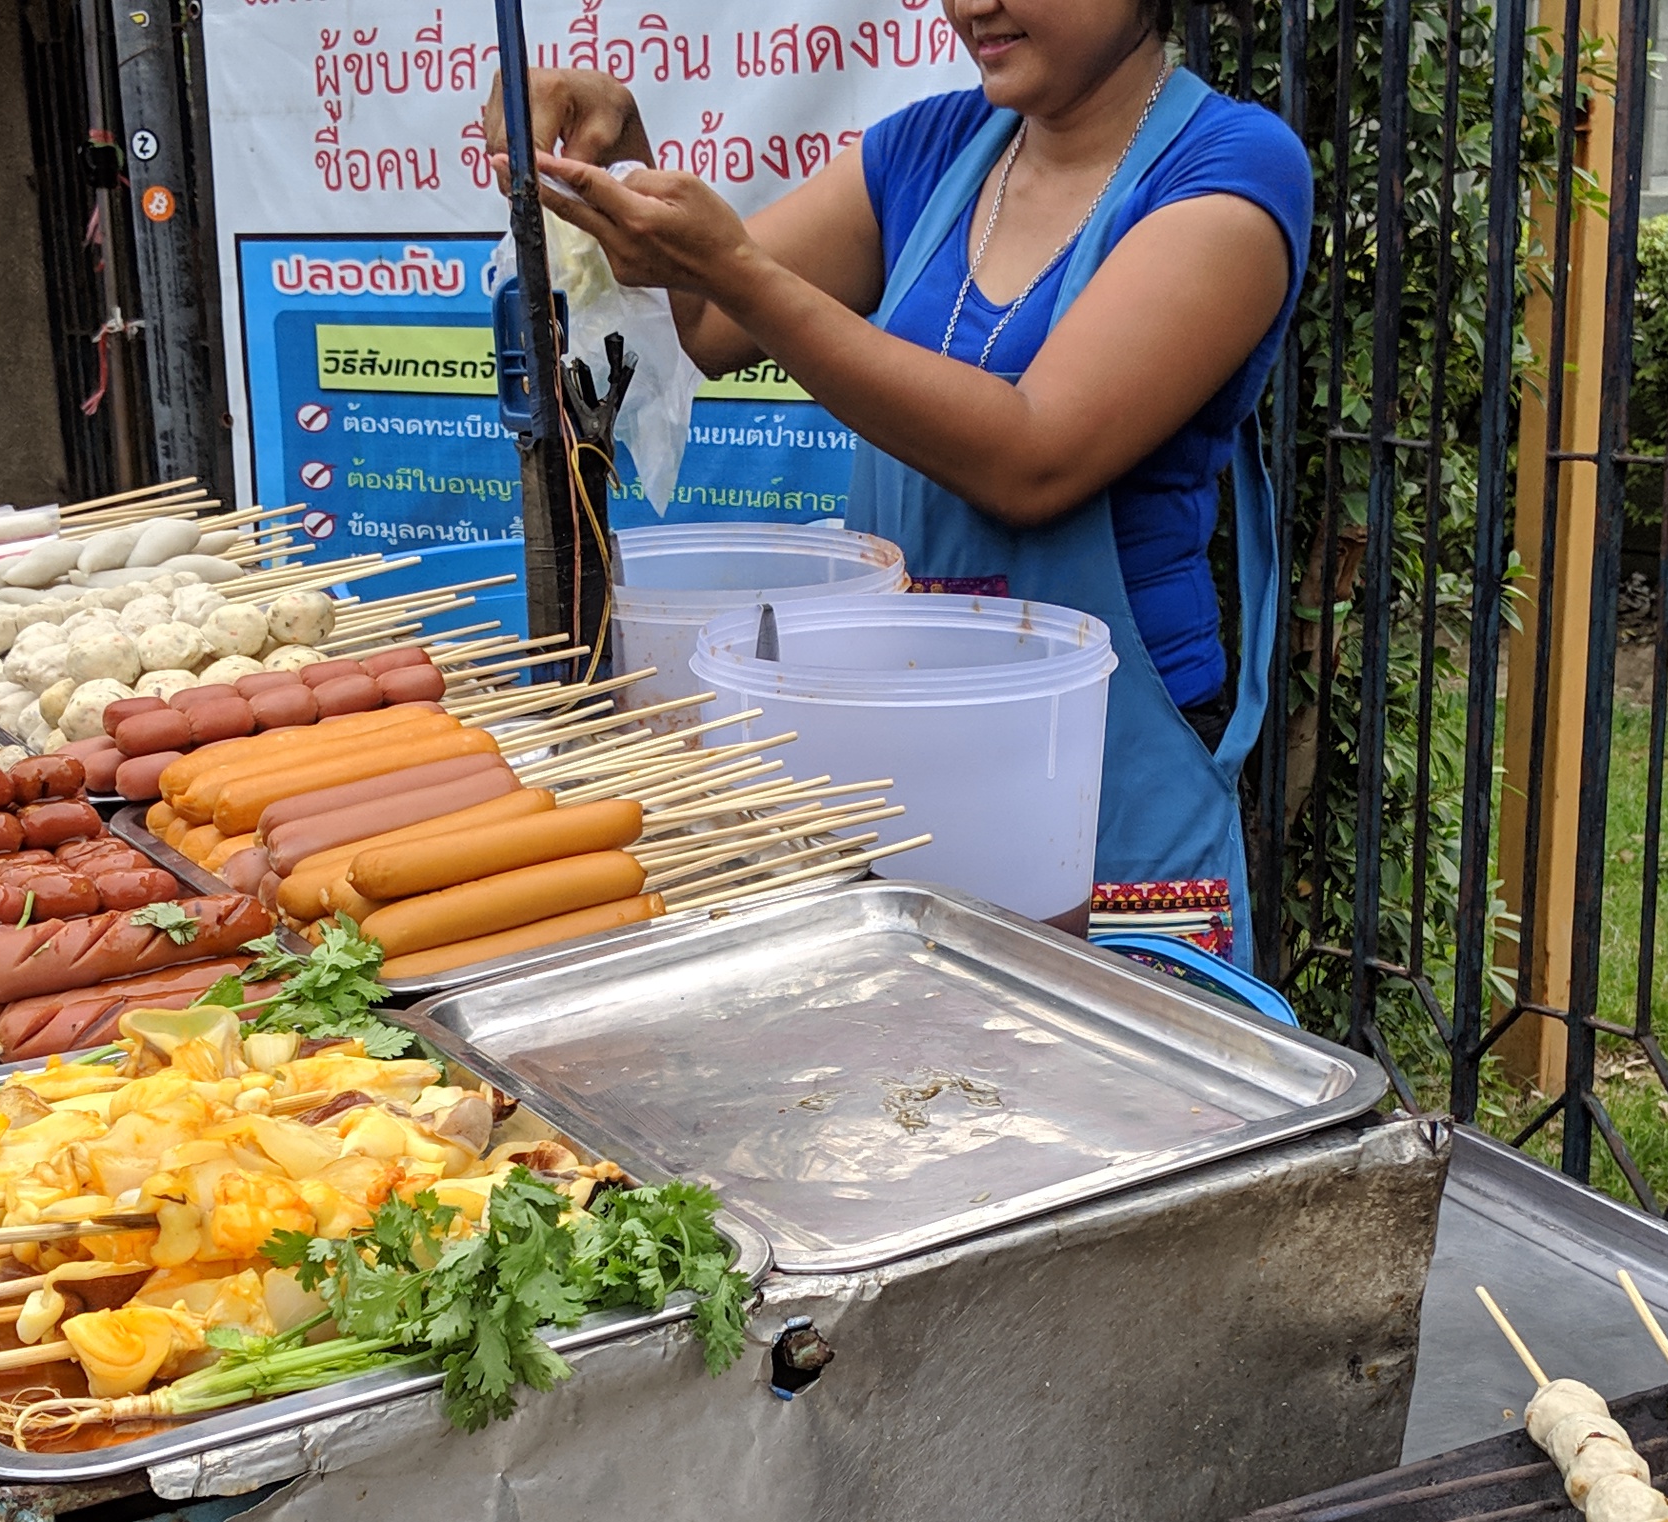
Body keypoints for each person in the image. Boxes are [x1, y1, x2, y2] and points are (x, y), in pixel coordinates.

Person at [492, 0, 1309, 943]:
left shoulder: (1231, 171)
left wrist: (741, 271)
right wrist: (617, 161)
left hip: (1105, 783)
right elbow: (711, 325)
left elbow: (1033, 459)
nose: (970, 6)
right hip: (899, 749)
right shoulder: (934, 151)